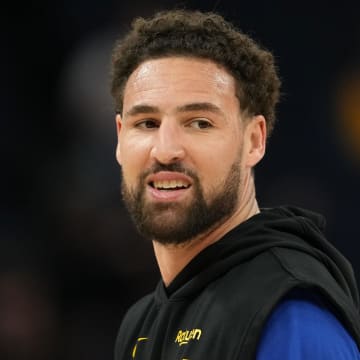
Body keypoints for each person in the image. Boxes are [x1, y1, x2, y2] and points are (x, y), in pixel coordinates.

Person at [110, 9, 360, 359]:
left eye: (199, 123)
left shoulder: (287, 314)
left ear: (254, 141)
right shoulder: (140, 324)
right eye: (147, 123)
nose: (165, 150)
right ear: (120, 138)